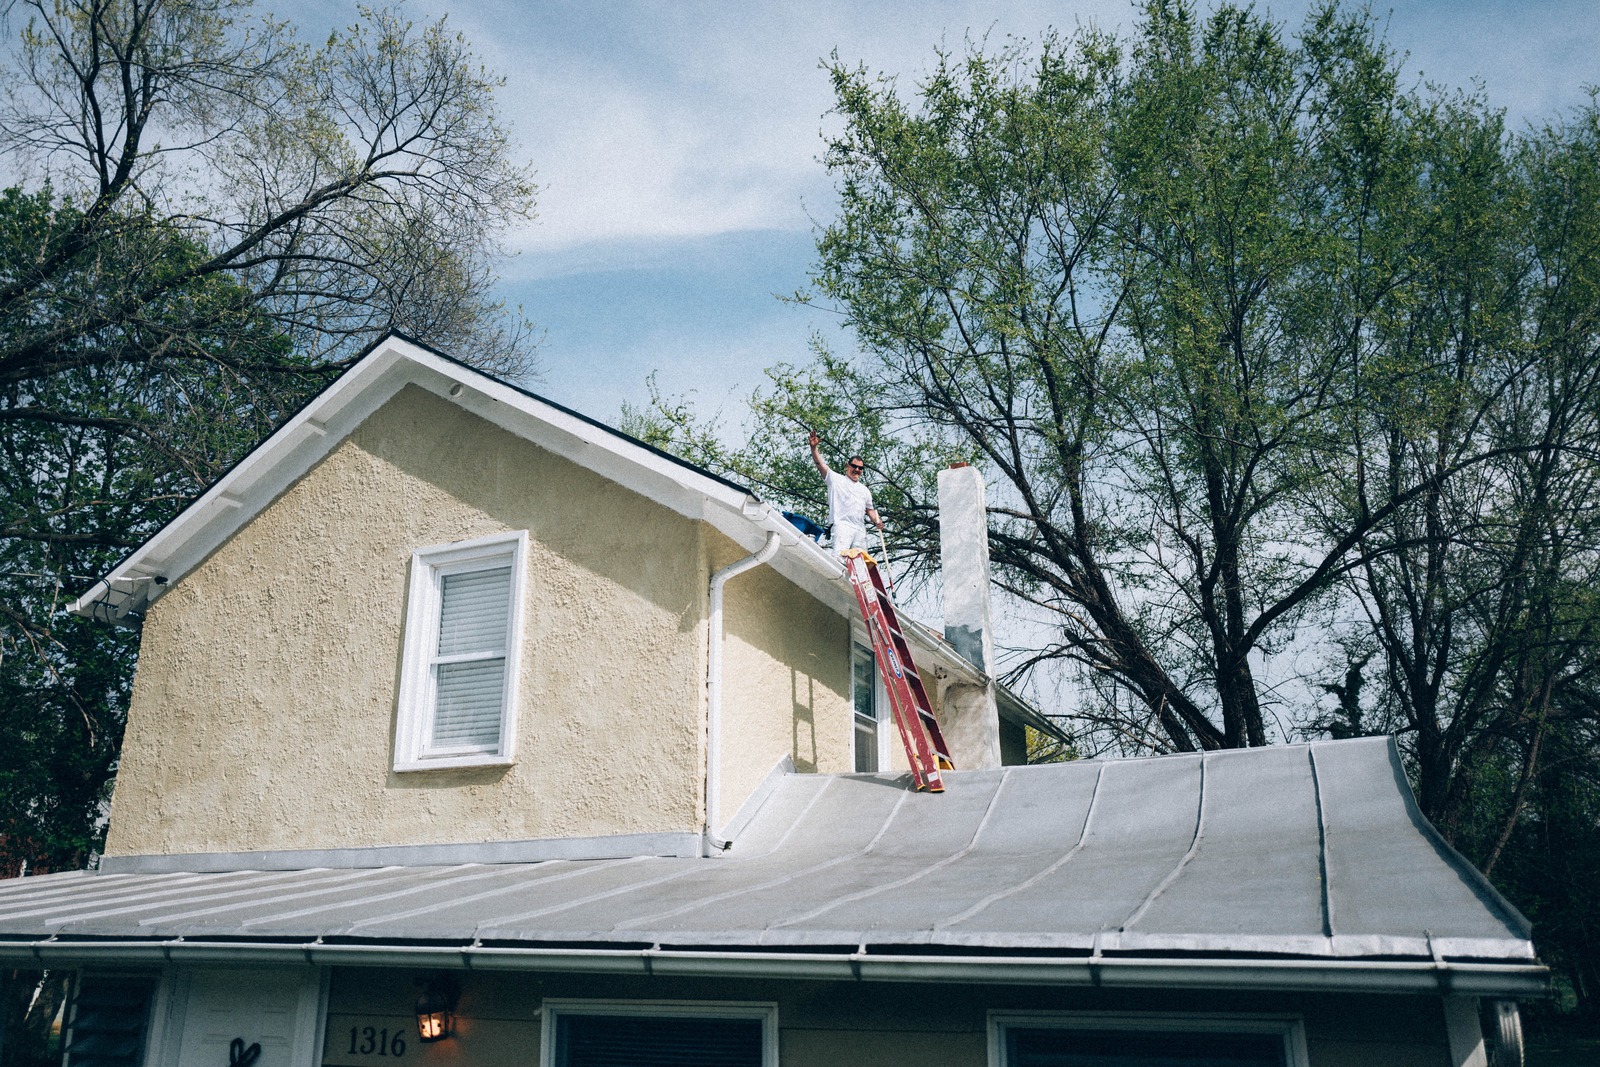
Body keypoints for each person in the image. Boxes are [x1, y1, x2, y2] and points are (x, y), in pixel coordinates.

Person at [809, 430, 884, 553]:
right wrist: (814, 448)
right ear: (847, 465)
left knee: (860, 563)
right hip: (842, 526)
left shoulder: (864, 490)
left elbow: (870, 510)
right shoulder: (835, 479)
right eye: (854, 466)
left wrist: (877, 520)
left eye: (860, 468)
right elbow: (820, 464)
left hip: (860, 529)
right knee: (840, 558)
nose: (857, 469)